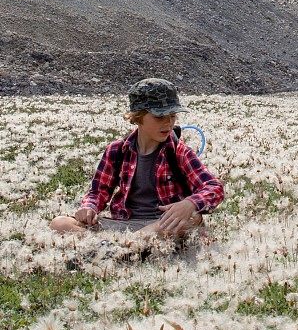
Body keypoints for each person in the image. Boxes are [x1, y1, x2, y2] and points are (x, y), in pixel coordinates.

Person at [50, 78, 224, 237]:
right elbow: (98, 192)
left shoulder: (179, 151)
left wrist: (190, 204)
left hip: (163, 224)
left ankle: (114, 247)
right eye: (159, 116)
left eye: (172, 116)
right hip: (125, 224)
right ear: (138, 117)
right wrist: (89, 207)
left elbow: (214, 188)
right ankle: (128, 246)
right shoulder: (116, 150)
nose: (168, 123)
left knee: (191, 218)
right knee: (59, 223)